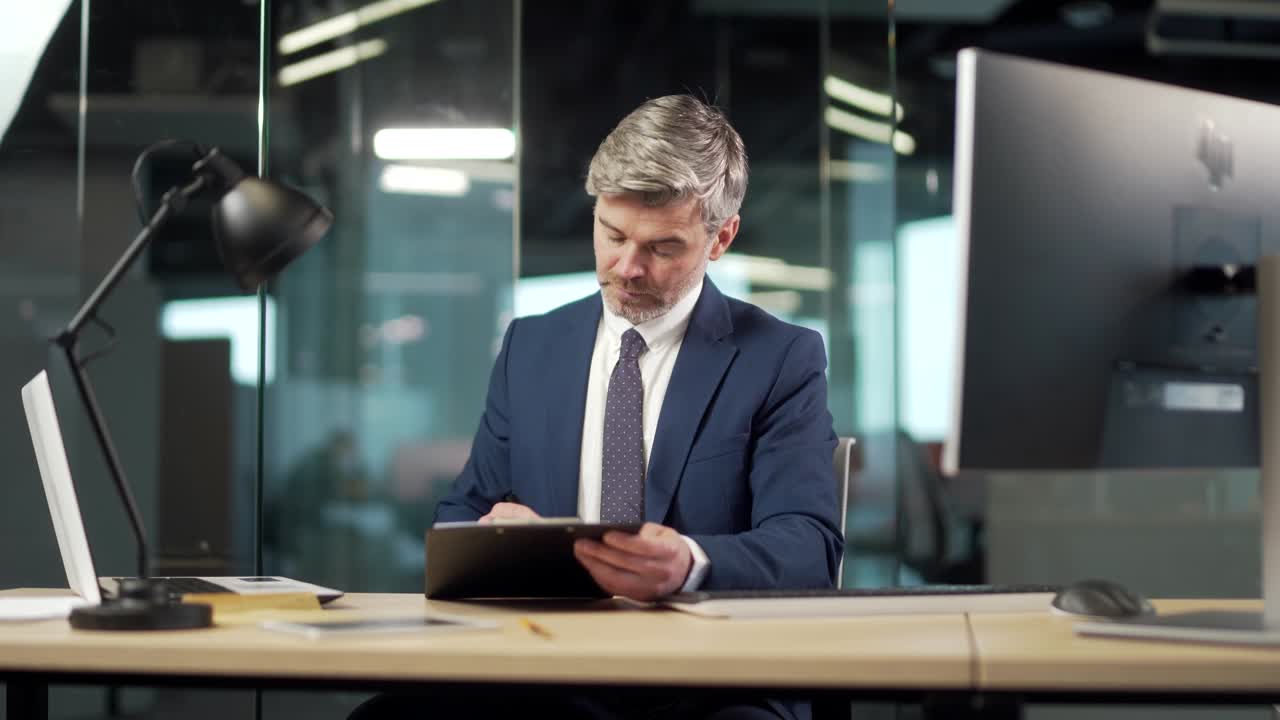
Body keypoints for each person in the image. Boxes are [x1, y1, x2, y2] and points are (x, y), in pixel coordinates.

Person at [357, 95, 841, 720]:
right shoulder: (531, 346)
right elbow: (463, 513)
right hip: (549, 668)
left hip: (710, 680)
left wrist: (691, 563)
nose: (627, 267)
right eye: (612, 235)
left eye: (662, 247)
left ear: (721, 237)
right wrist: (496, 541)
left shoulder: (780, 356)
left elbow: (808, 547)